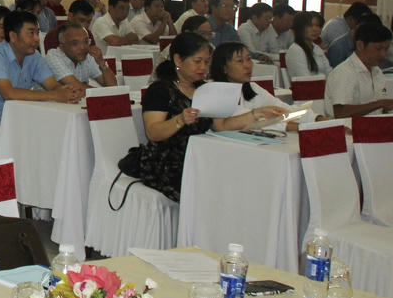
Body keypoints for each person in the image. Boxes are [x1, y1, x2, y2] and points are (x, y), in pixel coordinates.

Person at [136, 33, 286, 201]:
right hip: (168, 163)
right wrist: (179, 120)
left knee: (242, 177)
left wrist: (256, 114)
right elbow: (153, 132)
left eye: (207, 62)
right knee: (217, 188)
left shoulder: (205, 88)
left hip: (201, 157)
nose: (203, 67)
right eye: (197, 61)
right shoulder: (160, 90)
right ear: (178, 60)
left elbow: (220, 125)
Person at [0, 10, 79, 156]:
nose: (37, 39)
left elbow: (53, 85)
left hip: (13, 121)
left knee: (50, 140)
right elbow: (9, 93)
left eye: (37, 33)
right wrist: (55, 95)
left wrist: (66, 92)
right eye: (31, 33)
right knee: (17, 150)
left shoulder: (33, 56)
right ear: (13, 36)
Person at [322, 20, 393, 119]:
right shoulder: (344, 72)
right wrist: (382, 103)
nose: (383, 55)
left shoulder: (377, 71)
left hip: (373, 125)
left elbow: (376, 110)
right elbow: (340, 113)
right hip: (347, 128)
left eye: (386, 49)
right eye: (378, 49)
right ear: (360, 45)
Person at [45, 24, 116, 90]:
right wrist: (104, 93)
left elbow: (113, 86)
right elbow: (76, 86)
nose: (83, 47)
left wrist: (101, 63)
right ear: (62, 47)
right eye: (75, 43)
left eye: (86, 42)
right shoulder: (53, 56)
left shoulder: (88, 56)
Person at [284, 10, 330, 79]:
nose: (315, 29)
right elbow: (305, 79)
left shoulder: (316, 48)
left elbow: (329, 72)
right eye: (310, 25)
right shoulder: (295, 50)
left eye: (318, 26)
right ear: (300, 28)